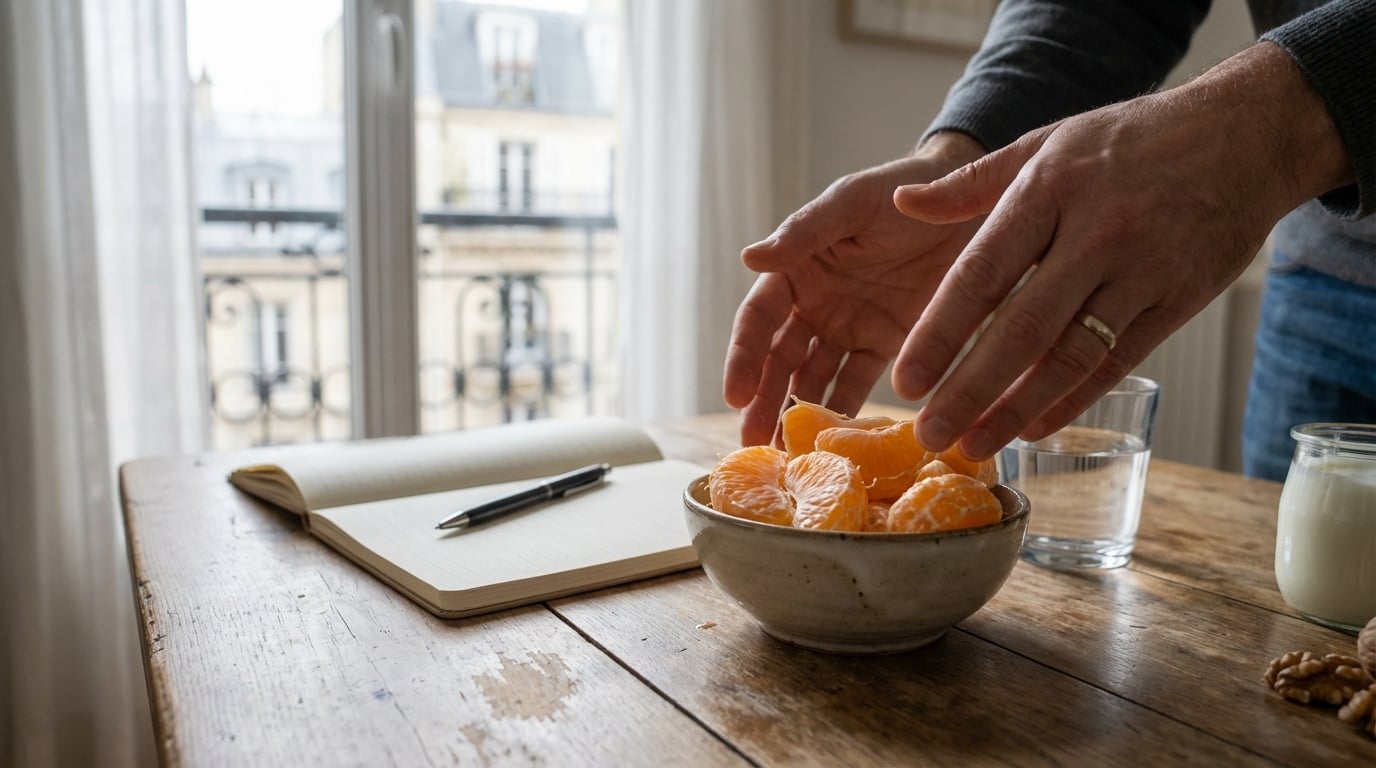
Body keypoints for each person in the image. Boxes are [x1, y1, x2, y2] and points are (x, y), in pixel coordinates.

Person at [722, 0, 1375, 481]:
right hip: (1329, 267)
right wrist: (966, 165)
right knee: (1301, 635)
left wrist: (1268, 125)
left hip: (1317, 213)